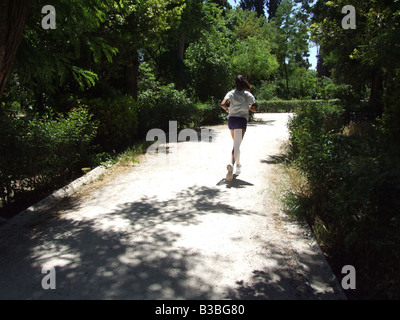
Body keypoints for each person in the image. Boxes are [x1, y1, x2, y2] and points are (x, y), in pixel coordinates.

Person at [220, 75, 258, 181]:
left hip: (232, 120)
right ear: (244, 83)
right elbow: (255, 108)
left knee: (236, 144)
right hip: (241, 121)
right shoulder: (248, 94)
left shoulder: (230, 93)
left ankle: (238, 165)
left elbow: (222, 104)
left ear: (235, 83)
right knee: (236, 145)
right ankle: (231, 165)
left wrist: (228, 110)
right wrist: (248, 107)